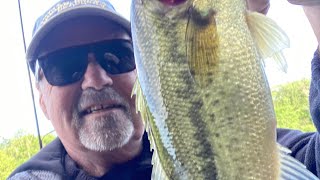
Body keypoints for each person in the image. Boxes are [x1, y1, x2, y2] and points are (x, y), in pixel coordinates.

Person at [7, 0, 320, 179]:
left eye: (116, 55)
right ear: (41, 99)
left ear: (142, 72)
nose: (96, 78)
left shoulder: (240, 144)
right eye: (65, 64)